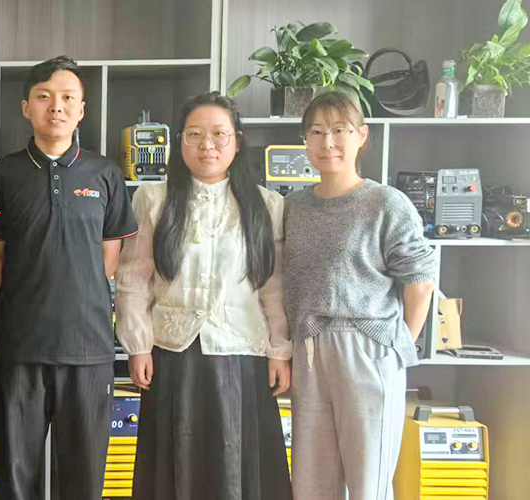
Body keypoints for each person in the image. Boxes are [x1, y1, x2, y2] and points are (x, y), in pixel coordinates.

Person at [115, 92, 293, 500]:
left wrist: (280, 351)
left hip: (243, 354)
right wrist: (138, 346)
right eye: (194, 134)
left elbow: (273, 286)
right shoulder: (153, 199)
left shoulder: (267, 205)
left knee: (237, 465)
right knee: (175, 465)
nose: (206, 145)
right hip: (174, 353)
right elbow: (134, 278)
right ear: (180, 142)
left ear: (237, 141)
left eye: (218, 134)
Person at [0, 55, 136, 500]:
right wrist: (30, 296)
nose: (57, 107)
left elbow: (109, 256)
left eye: (68, 98)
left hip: (88, 349)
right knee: (14, 474)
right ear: (26, 106)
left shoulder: (105, 173)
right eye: (44, 97)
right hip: (20, 347)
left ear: (81, 109)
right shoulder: (1, 174)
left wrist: (75, 294)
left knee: (83, 476)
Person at [285, 91, 436, 500]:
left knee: (368, 481)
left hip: (368, 349)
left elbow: (421, 280)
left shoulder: (385, 203)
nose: (328, 142)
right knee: (311, 481)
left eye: (339, 130)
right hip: (309, 348)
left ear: (362, 136)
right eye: (317, 132)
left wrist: (397, 344)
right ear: (306, 140)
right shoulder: (293, 207)